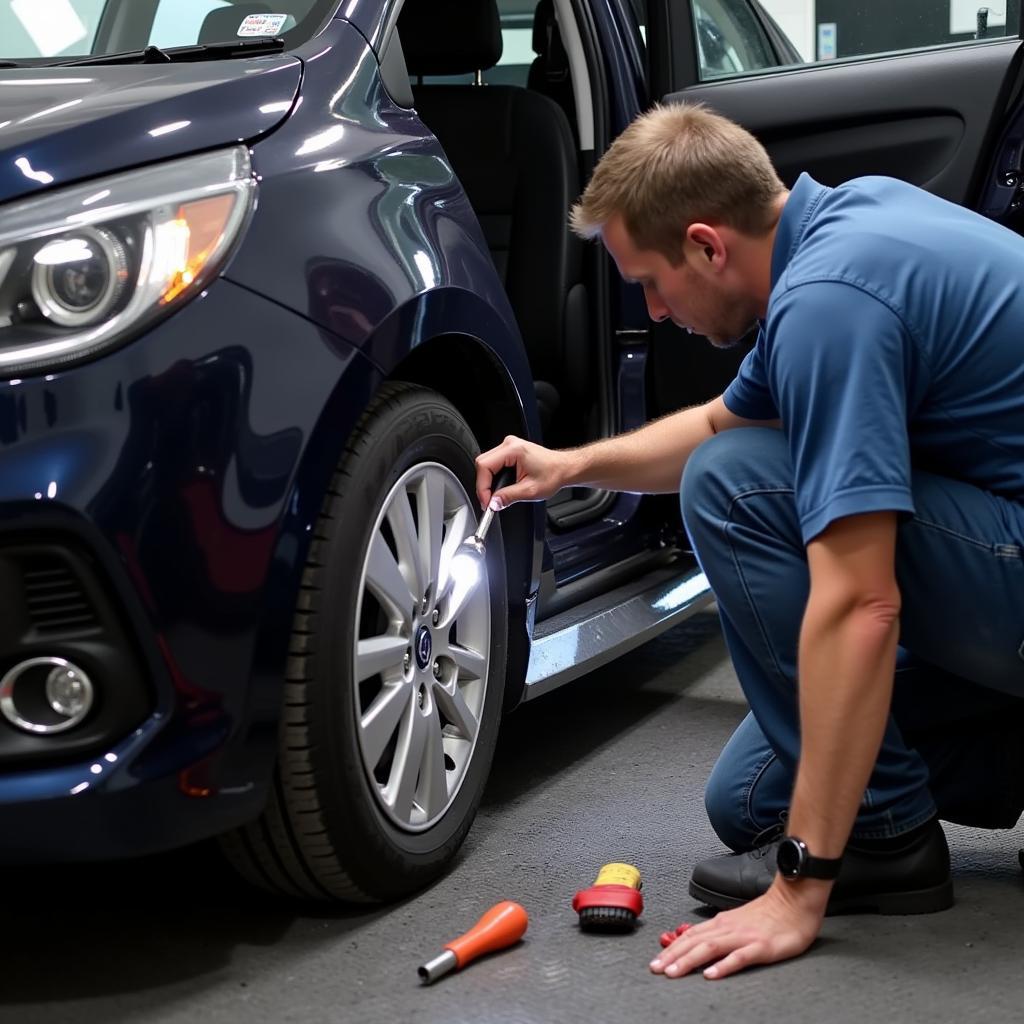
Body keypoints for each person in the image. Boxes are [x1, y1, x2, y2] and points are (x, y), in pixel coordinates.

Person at [473, 103, 1024, 980]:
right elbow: (721, 420)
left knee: (733, 488)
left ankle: (887, 843)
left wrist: (801, 885)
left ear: (706, 244)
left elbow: (861, 602)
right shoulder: (846, 224)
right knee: (752, 797)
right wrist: (568, 465)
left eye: (651, 282)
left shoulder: (827, 305)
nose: (652, 313)